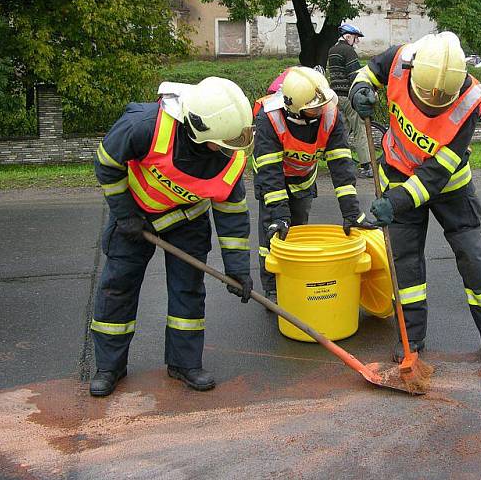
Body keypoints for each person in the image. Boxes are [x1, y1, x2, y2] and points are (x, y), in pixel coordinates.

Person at [349, 32, 481, 367]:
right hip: (397, 172)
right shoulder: (400, 59)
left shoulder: (469, 102)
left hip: (449, 187)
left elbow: (435, 175)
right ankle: (411, 339)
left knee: (475, 259)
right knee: (406, 265)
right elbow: (369, 71)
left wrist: (393, 204)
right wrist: (359, 90)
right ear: (413, 71)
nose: (432, 104)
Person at [90, 77, 255, 397]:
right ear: (198, 129)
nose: (230, 147)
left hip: (186, 222)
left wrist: (238, 270)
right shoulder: (144, 126)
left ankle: (184, 363)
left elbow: (232, 214)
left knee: (188, 291)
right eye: (223, 141)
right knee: (117, 290)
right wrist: (125, 215)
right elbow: (106, 162)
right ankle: (109, 366)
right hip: (134, 218)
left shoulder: (231, 157)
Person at [253, 66, 375, 302]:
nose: (321, 109)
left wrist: (352, 213)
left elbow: (341, 166)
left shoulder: (331, 114)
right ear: (296, 110)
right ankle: (272, 289)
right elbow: (271, 173)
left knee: (298, 232)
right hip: (273, 182)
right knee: (274, 233)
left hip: (303, 179)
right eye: (313, 108)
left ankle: (297, 279)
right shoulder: (269, 118)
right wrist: (279, 215)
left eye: (322, 103)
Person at [327, 23, 373, 179]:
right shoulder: (348, 51)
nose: (357, 41)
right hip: (348, 96)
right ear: (347, 36)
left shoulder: (332, 51)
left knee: (342, 132)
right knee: (360, 129)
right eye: (356, 38)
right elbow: (355, 76)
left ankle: (340, 165)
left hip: (335, 96)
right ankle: (366, 166)